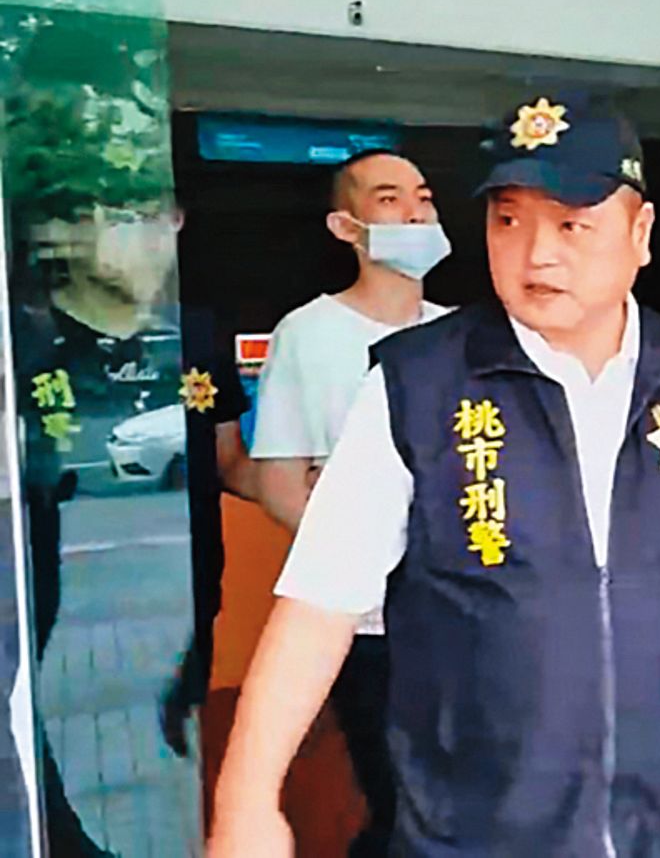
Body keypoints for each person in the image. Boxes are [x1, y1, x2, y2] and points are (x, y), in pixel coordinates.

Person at [209, 94, 660, 857]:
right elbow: (319, 603)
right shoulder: (419, 384)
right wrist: (246, 800)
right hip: (478, 829)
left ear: (641, 234)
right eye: (508, 220)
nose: (536, 253)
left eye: (572, 224)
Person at [247, 148, 452, 855]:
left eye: (424, 197)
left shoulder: (463, 334)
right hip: (368, 624)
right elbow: (280, 485)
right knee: (398, 800)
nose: (415, 213)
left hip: (465, 614)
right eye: (390, 198)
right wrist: (379, 551)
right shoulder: (308, 335)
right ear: (345, 225)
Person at [160, 302, 258, 757]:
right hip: (131, 521)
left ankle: (182, 705)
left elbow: (228, 455)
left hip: (197, 525)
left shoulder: (200, 334)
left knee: (202, 619)